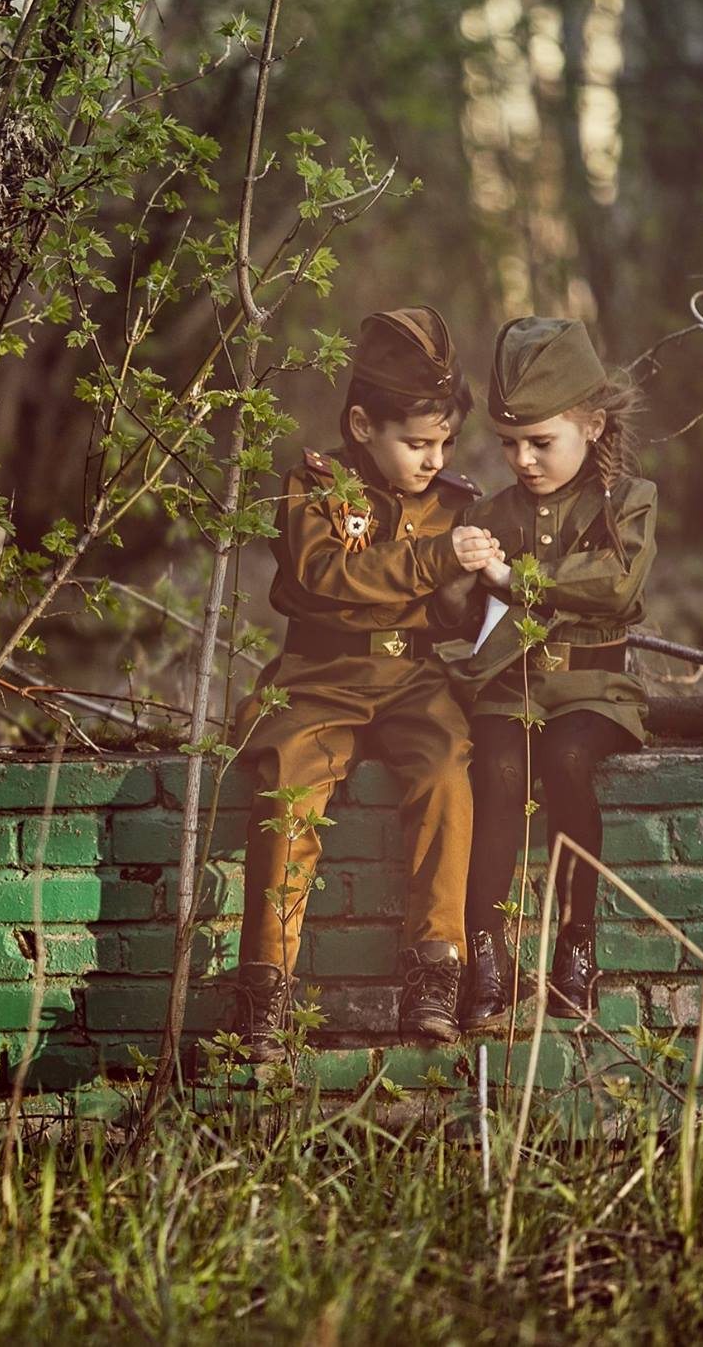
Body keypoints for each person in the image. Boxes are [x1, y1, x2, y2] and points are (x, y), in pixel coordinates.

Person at [234, 306, 501, 1057]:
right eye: (417, 443)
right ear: (361, 425)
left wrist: (484, 582)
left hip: (411, 676)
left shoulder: (450, 499)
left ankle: (434, 975)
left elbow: (450, 614)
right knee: (288, 786)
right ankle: (264, 991)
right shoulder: (312, 488)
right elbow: (328, 575)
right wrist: (439, 559)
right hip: (320, 674)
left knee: (450, 766)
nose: (432, 457)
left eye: (443, 442)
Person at [452, 317, 656, 1028]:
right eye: (510, 444)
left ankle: (576, 944)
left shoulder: (627, 503)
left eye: (542, 441)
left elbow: (617, 585)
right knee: (499, 772)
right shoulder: (490, 509)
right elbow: (458, 621)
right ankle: (487, 956)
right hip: (511, 687)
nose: (524, 459)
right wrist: (459, 563)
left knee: (569, 758)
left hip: (595, 687)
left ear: (593, 424)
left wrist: (515, 575)